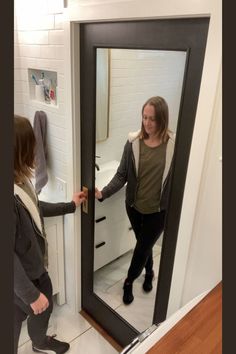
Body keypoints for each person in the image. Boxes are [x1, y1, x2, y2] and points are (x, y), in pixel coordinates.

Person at [14, 115, 86, 354]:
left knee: (36, 308)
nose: (36, 149)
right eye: (31, 144)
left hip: (32, 270)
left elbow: (35, 206)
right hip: (23, 276)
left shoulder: (20, 181)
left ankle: (38, 342)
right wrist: (30, 295)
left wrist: (70, 205)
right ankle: (39, 342)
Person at [95, 96, 175, 305]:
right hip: (134, 207)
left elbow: (177, 180)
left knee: (140, 249)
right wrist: (103, 193)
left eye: (153, 119)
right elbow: (122, 175)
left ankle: (129, 281)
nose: (147, 123)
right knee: (143, 244)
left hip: (158, 212)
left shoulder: (174, 146)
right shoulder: (133, 143)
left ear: (163, 119)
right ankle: (149, 272)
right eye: (144, 117)